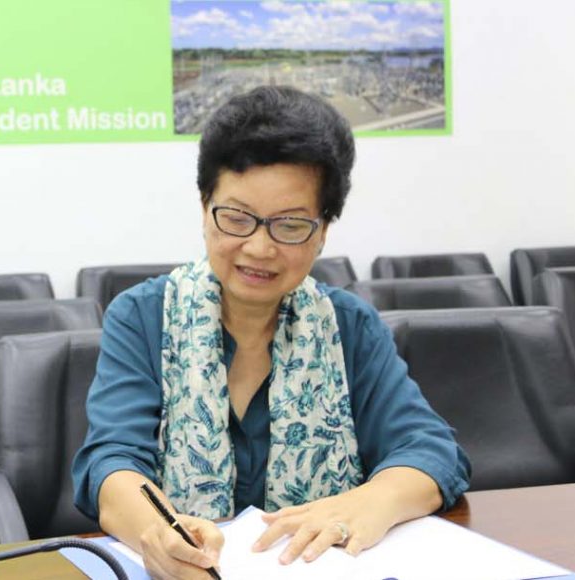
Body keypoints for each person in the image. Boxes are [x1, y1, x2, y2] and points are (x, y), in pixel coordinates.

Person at [71, 86, 470, 580]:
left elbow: (431, 451)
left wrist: (368, 502)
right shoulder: (143, 316)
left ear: (323, 231)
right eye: (237, 218)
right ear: (204, 208)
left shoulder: (349, 325)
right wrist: (158, 535)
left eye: (291, 225)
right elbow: (111, 462)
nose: (259, 248)